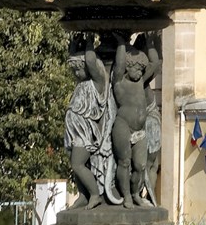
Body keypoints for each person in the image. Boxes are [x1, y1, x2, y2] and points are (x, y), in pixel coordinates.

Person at [111, 32, 162, 207]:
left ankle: (135, 194)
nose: (140, 73)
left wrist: (150, 44)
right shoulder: (119, 82)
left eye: (141, 70)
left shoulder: (140, 82)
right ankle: (126, 196)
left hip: (140, 130)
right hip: (123, 126)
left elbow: (155, 65)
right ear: (128, 67)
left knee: (140, 166)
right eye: (136, 69)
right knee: (124, 162)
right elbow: (118, 65)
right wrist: (121, 43)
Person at [64, 33, 115, 207]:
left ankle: (95, 195)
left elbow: (92, 62)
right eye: (75, 69)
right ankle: (83, 195)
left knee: (77, 164)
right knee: (75, 164)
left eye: (80, 68)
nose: (77, 73)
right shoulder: (82, 83)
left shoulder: (98, 82)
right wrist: (73, 47)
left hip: (86, 130)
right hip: (74, 128)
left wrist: (89, 44)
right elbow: (78, 62)